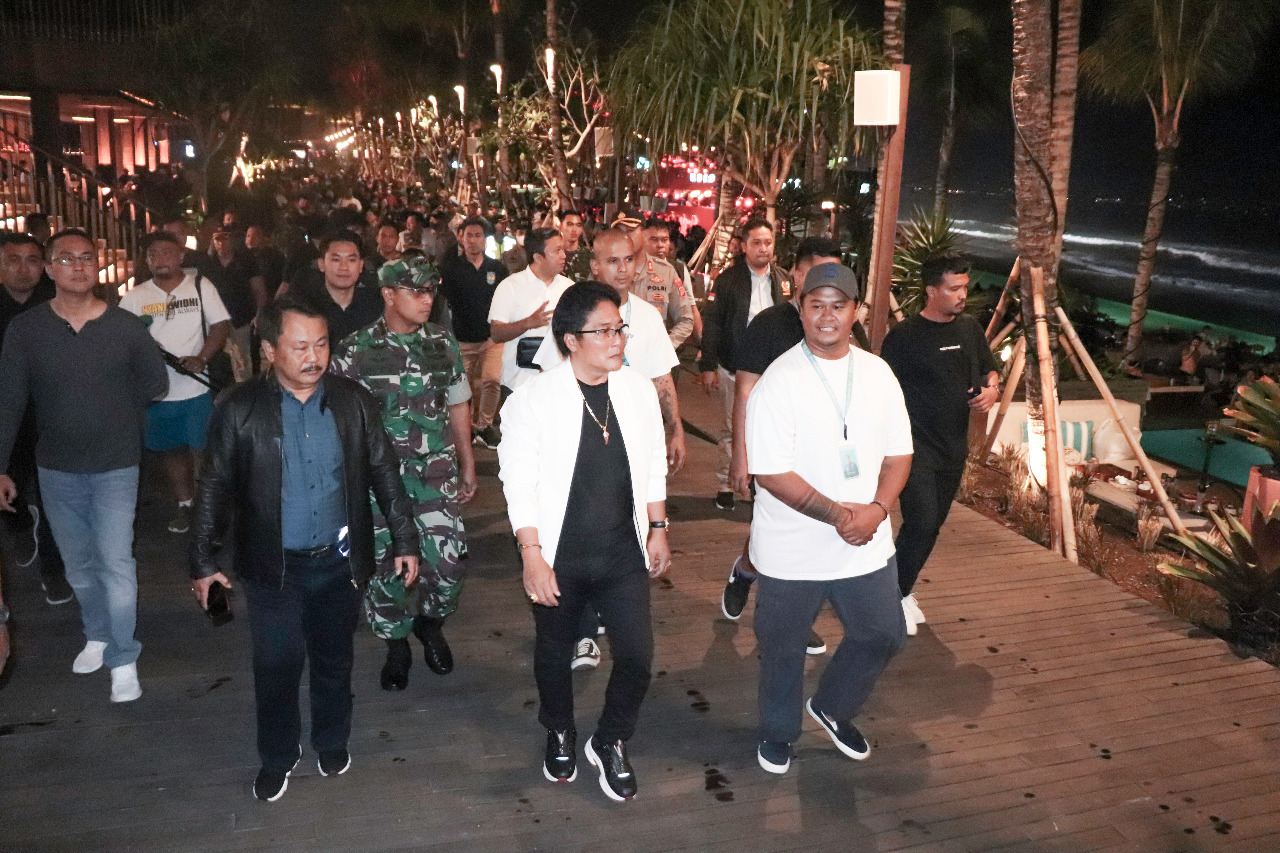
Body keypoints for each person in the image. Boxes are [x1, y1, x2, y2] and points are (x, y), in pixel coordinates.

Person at [189, 296, 420, 802]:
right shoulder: (239, 408)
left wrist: (405, 537)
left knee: (334, 659)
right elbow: (213, 487)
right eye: (299, 347)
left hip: (339, 563)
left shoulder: (353, 401)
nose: (313, 357)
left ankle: (331, 739)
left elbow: (384, 470)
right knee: (276, 666)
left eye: (321, 344)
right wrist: (202, 561)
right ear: (270, 350)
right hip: (273, 567)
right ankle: (278, 754)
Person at [498, 282, 671, 802]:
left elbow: (653, 461)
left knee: (637, 657)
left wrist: (658, 527)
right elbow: (518, 482)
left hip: (622, 553)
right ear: (571, 340)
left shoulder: (636, 390)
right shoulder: (532, 400)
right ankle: (559, 729)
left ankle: (611, 738)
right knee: (554, 654)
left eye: (620, 329)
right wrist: (532, 556)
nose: (617, 340)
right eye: (604, 331)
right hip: (559, 556)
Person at [746, 262, 912, 774]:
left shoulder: (879, 374)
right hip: (793, 547)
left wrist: (878, 510)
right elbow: (772, 472)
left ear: (856, 311)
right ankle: (779, 732)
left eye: (838, 306)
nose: (826, 316)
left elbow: (899, 454)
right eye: (815, 305)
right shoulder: (779, 381)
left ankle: (833, 707)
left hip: (866, 540)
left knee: (883, 633)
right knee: (783, 648)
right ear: (799, 310)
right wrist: (841, 515)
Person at [0, 228, 168, 703]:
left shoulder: (125, 326)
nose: (78, 265)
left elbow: (155, 383)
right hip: (56, 467)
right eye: (66, 258)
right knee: (78, 565)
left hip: (117, 463)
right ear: (49, 269)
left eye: (87, 258)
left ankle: (124, 656)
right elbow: (9, 400)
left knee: (116, 561)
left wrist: (112, 407)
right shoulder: (26, 330)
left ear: (97, 266)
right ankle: (96, 631)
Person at [533, 228, 688, 669]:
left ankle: (611, 611)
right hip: (580, 442)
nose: (623, 268)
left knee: (622, 527)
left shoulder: (648, 318)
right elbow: (548, 382)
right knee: (580, 529)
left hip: (630, 443)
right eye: (612, 261)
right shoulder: (573, 313)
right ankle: (581, 631)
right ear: (594, 265)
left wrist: (675, 429)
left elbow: (661, 379)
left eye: (629, 259)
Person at [332, 259, 478, 691]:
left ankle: (430, 625)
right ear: (389, 294)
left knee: (449, 566)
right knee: (387, 568)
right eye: (416, 291)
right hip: (380, 481)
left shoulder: (442, 342)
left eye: (430, 291)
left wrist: (468, 461)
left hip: (436, 474)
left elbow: (458, 402)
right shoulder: (355, 349)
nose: (426, 299)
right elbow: (340, 419)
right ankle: (396, 645)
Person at [721, 238, 843, 651]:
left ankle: (776, 600)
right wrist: (741, 457)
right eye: (818, 272)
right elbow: (745, 391)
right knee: (778, 532)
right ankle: (757, 581)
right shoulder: (770, 323)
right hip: (774, 454)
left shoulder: (842, 325)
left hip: (824, 455)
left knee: (813, 535)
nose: (827, 282)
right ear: (796, 274)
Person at [880, 253, 998, 634]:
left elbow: (989, 370)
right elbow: (880, 393)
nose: (963, 295)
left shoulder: (970, 330)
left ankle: (898, 589)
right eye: (954, 288)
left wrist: (992, 391)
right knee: (921, 521)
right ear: (931, 290)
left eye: (964, 287)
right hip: (913, 448)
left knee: (932, 527)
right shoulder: (904, 337)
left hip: (953, 447)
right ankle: (891, 597)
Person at [119, 232, 230, 534]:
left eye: (167, 252)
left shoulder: (200, 285)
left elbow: (220, 326)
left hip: (196, 388)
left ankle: (210, 509)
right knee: (171, 450)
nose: (160, 259)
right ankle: (186, 504)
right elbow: (122, 339)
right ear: (147, 260)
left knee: (204, 450)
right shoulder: (134, 297)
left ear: (181, 255)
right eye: (153, 254)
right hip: (157, 392)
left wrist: (201, 358)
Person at [0, 233, 72, 606]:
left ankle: (54, 569)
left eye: (32, 260)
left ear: (43, 266)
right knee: (8, 486)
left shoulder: (59, 303)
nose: (23, 268)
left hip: (49, 413)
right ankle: (20, 526)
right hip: (4, 414)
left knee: (52, 494)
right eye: (13, 260)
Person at [700, 217, 788, 510]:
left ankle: (760, 485)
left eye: (768, 243)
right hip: (734, 365)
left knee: (768, 428)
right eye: (757, 243)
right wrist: (708, 365)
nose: (763, 248)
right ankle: (726, 485)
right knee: (731, 428)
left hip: (773, 370)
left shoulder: (783, 280)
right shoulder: (728, 280)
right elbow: (713, 322)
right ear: (744, 246)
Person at [441, 217, 509, 449]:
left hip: (492, 338)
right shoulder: (451, 269)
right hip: (461, 340)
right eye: (468, 235)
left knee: (492, 380)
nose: (473, 240)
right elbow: (443, 304)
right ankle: (466, 427)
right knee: (463, 388)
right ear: (461, 238)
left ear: (485, 239)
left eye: (478, 235)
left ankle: (484, 425)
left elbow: (506, 300)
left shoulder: (497, 268)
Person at [487, 227, 574, 397]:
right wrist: (527, 323)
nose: (563, 255)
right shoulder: (510, 286)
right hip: (518, 385)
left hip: (559, 387)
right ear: (538, 257)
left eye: (563, 250)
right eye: (557, 251)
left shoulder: (569, 288)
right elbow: (496, 333)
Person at [290, 232, 384, 343]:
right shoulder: (304, 306)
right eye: (336, 260)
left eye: (351, 260)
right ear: (321, 264)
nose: (344, 267)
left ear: (360, 266)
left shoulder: (376, 304)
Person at [624, 216, 694, 349]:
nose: (660, 245)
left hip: (653, 352)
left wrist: (665, 347)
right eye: (654, 239)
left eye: (664, 240)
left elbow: (686, 318)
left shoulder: (669, 271)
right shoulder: (611, 268)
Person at [206, 227, 267, 366]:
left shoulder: (246, 261)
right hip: (217, 320)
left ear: (232, 240)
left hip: (242, 318)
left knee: (247, 358)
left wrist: (259, 315)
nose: (221, 243)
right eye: (218, 239)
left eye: (225, 239)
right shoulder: (209, 264)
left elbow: (259, 289)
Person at [560, 210, 592, 281]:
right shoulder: (553, 255)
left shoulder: (589, 257)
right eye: (569, 224)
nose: (574, 229)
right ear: (560, 226)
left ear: (581, 229)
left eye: (578, 225)